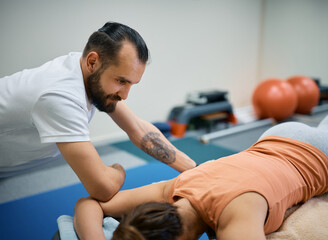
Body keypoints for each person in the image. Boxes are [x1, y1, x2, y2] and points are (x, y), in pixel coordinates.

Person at [73, 104, 328, 240]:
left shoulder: (233, 220)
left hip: (321, 157)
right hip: (277, 135)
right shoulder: (176, 188)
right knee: (327, 130)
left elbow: (89, 204)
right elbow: (90, 204)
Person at [0, 22, 196, 202]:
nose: (125, 95)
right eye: (121, 81)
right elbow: (103, 187)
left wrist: (196, 170)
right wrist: (118, 170)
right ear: (92, 62)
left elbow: (138, 129)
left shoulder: (88, 68)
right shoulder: (60, 96)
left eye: (131, 84)